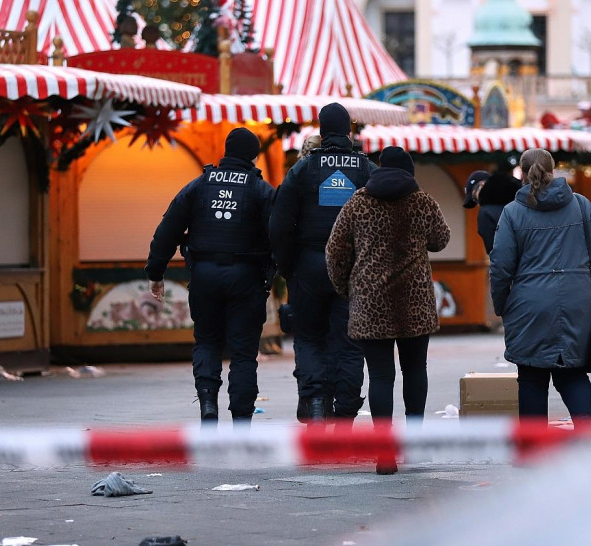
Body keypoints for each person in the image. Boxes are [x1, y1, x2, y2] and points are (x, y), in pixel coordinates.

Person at [326, 146, 450, 473]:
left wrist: (347, 289)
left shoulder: (357, 203)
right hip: (414, 299)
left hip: (371, 301)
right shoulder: (422, 202)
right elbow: (442, 240)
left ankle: (384, 454)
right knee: (415, 370)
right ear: (409, 172)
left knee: (380, 375)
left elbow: (334, 252)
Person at [145, 127, 276, 427]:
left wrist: (156, 272)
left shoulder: (200, 185)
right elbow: (279, 234)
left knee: (206, 342)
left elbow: (168, 228)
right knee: (243, 352)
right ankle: (241, 419)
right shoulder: (260, 189)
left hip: (203, 274)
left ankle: (208, 405)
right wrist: (281, 271)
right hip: (246, 277)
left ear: (226, 152)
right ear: (254, 156)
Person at [269, 102, 376, 422]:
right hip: (352, 269)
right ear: (348, 129)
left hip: (310, 264)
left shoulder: (303, 169)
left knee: (310, 337)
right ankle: (344, 414)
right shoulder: (365, 169)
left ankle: (315, 403)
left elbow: (280, 223)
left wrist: (289, 268)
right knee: (349, 343)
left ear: (321, 129)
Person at [489, 148, 591, 429]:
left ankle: (534, 449)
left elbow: (501, 266)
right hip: (577, 299)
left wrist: (501, 304)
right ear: (553, 170)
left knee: (532, 375)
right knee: (574, 373)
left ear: (521, 172)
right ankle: (586, 440)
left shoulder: (513, 212)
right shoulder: (580, 204)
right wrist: (577, 262)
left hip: (529, 303)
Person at [462, 166, 521, 255]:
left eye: (475, 198)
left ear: (481, 186)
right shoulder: (522, 198)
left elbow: (496, 253)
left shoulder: (486, 213)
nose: (478, 204)